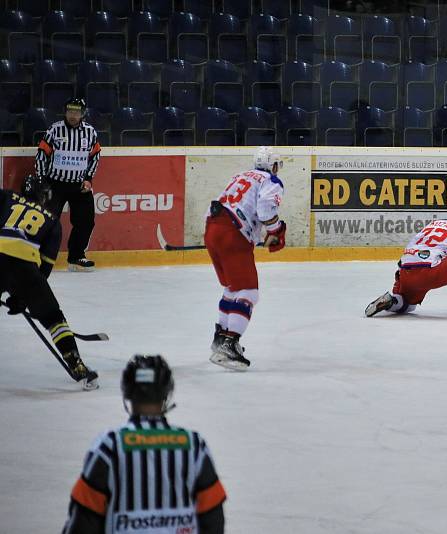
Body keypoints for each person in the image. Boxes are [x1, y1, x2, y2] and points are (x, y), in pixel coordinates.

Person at [62, 354, 226, 533]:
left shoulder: (109, 447)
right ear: (167, 393)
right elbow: (213, 518)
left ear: (127, 393)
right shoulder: (193, 446)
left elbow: (82, 521)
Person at [0, 174, 98, 389]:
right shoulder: (53, 221)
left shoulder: (7, 197)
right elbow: (44, 267)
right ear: (45, 197)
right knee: (54, 318)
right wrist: (23, 298)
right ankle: (77, 365)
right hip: (25, 268)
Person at [205, 146, 286, 370]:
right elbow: (266, 211)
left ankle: (220, 338)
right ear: (273, 165)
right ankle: (230, 345)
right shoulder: (271, 180)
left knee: (232, 288)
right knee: (249, 291)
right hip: (233, 232)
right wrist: (276, 229)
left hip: (212, 228)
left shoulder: (240, 176)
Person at [365, 198, 447, 317]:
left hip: (405, 271)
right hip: (429, 273)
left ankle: (391, 301)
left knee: (407, 305)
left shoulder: (432, 224)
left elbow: (410, 248)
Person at [35, 97, 101, 272]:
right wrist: (42, 179)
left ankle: (76, 256)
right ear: (65, 111)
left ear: (83, 114)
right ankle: (39, 256)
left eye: (77, 112)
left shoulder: (90, 132)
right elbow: (42, 154)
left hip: (80, 186)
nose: (73, 115)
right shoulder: (54, 130)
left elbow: (95, 156)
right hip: (55, 185)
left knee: (86, 221)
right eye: (70, 111)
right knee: (47, 220)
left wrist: (89, 178)